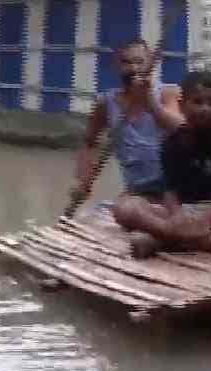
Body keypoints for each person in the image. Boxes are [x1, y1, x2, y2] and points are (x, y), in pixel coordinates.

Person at [70, 39, 188, 254]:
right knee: (122, 210)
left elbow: (181, 128)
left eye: (139, 62)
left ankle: (164, 234)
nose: (133, 69)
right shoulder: (106, 103)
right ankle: (170, 233)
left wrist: (150, 103)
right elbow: (88, 143)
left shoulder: (167, 93)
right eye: (126, 63)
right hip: (142, 191)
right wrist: (83, 181)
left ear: (150, 64)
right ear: (117, 66)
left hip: (177, 185)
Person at [132, 69, 211, 258]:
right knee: (128, 209)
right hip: (183, 209)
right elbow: (169, 189)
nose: (205, 108)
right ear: (181, 105)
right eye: (197, 102)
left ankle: (159, 241)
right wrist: (176, 216)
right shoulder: (171, 143)